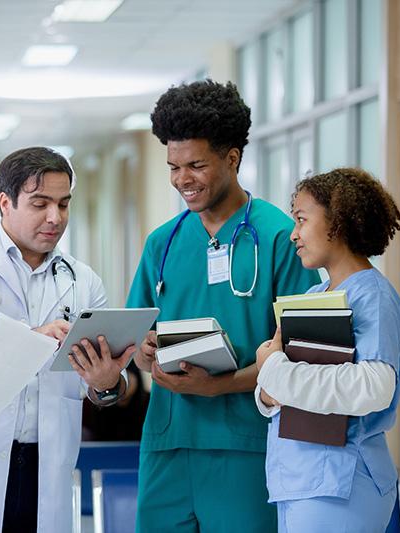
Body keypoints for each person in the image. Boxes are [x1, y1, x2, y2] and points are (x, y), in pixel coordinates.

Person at [126, 79, 320, 532]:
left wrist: (220, 385)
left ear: (232, 158)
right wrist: (145, 349)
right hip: (168, 442)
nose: (182, 180)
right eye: (173, 166)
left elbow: (303, 356)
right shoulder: (163, 243)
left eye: (196, 165)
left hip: (246, 444)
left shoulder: (280, 237)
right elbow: (136, 342)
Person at [0, 146, 133, 533]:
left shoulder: (83, 281)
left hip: (46, 465)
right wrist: (24, 339)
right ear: (5, 202)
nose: (55, 217)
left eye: (64, 204)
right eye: (40, 203)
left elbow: (102, 389)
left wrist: (107, 384)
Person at [255, 167, 400, 533]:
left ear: (337, 222)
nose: (294, 234)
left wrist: (272, 367)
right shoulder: (313, 297)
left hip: (344, 482)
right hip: (297, 479)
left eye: (302, 220)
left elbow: (373, 387)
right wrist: (268, 393)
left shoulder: (373, 295)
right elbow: (279, 392)